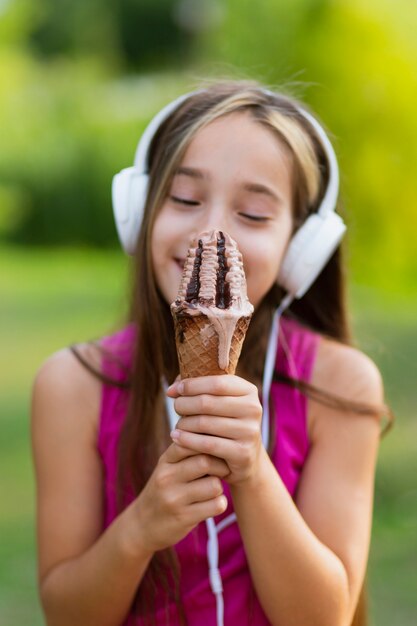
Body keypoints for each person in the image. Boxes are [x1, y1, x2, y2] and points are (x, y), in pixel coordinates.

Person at [31, 81, 392, 626]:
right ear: (140, 212)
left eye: (252, 213)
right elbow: (67, 615)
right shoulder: (73, 385)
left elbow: (324, 618)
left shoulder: (341, 384)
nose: (211, 232)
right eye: (184, 199)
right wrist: (141, 527)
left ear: (301, 249)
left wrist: (252, 472)